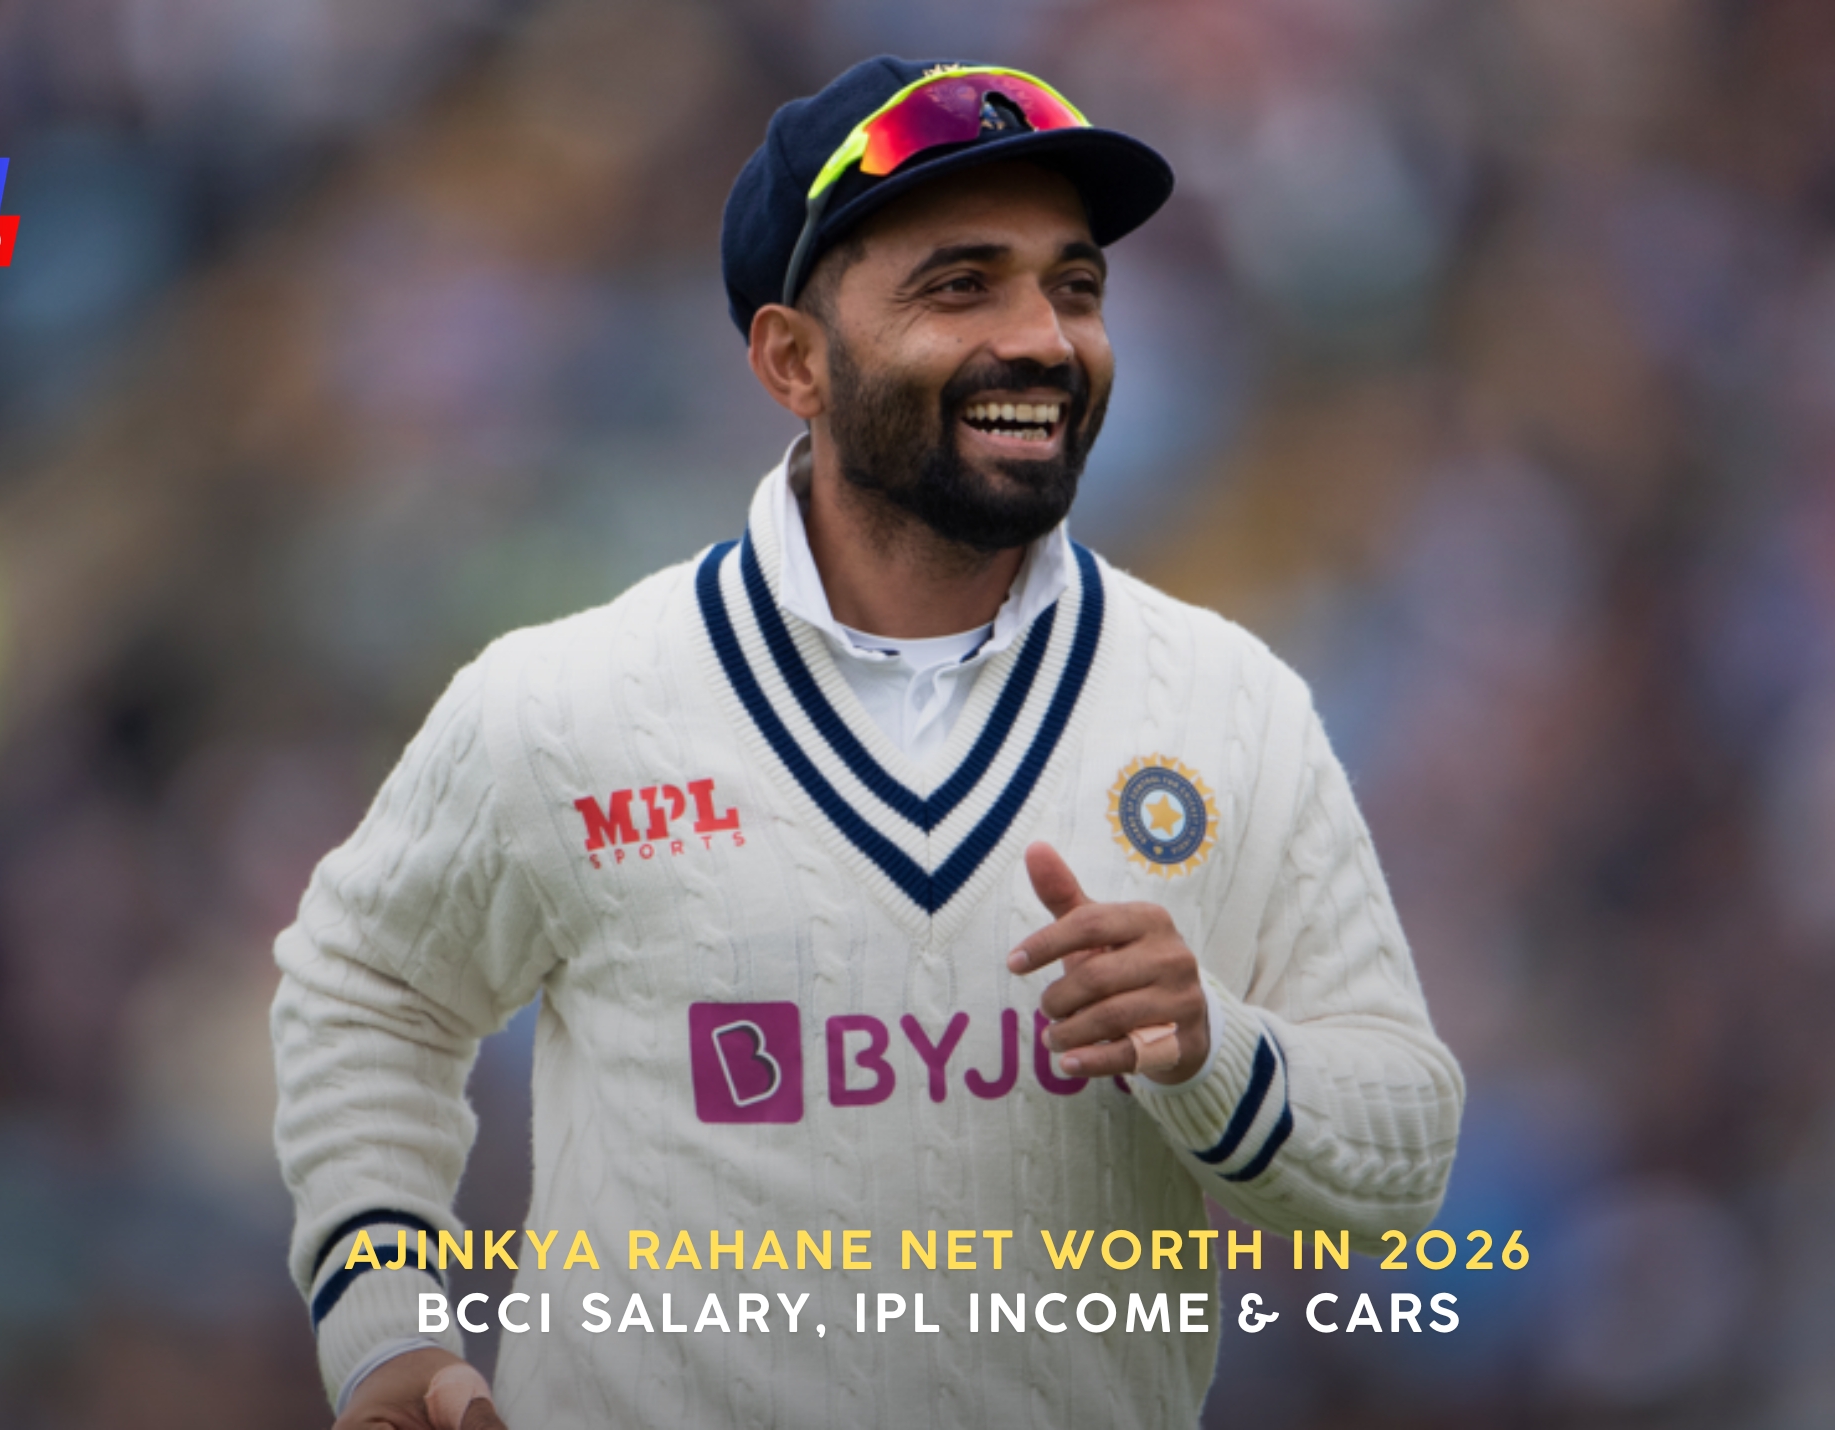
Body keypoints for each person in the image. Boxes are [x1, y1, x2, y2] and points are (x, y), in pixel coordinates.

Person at [272, 55, 1464, 1430]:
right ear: (794, 360)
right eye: (961, 285)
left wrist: (1213, 1054)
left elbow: (1408, 1149)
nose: (1041, 337)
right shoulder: (568, 701)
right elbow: (368, 991)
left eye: (1073, 287)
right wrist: (384, 1325)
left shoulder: (1227, 703)